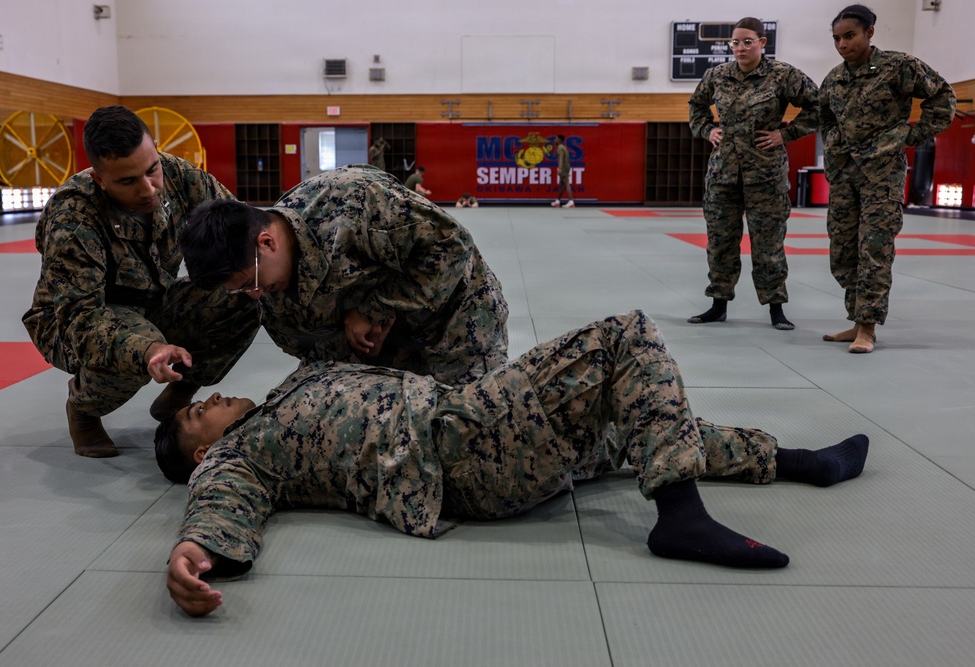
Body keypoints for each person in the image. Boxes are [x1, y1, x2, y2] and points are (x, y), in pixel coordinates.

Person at [157, 310, 869, 617]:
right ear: (202, 450)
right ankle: (680, 517)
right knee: (625, 336)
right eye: (196, 414)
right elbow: (221, 499)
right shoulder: (240, 455)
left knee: (638, 418)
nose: (209, 399)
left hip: (470, 425)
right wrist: (196, 548)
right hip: (457, 448)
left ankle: (793, 460)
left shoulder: (288, 390)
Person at [22, 105, 260, 458]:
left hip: (152, 300)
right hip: (71, 323)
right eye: (127, 181)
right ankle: (84, 409)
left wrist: (255, 271)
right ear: (100, 179)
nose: (148, 189)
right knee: (137, 346)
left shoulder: (177, 175)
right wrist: (147, 350)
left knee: (241, 294)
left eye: (152, 170)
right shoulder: (73, 217)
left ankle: (181, 390)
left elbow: (239, 223)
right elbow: (81, 320)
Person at [180, 164, 508, 386]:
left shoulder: (354, 203)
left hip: (457, 319)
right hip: (393, 350)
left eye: (249, 282)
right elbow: (317, 355)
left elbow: (451, 246)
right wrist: (364, 347)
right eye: (239, 290)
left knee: (475, 429)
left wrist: (372, 312)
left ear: (267, 243)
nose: (254, 295)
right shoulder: (271, 296)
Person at [819, 5, 956, 353]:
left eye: (850, 36)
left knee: (874, 249)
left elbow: (943, 97)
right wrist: (834, 147)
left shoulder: (899, 66)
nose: (842, 44)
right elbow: (825, 118)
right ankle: (855, 319)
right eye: (836, 38)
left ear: (870, 32)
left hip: (882, 175)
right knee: (842, 251)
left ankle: (868, 327)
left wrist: (910, 136)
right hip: (845, 176)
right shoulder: (834, 78)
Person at [687, 17, 819, 331]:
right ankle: (718, 304)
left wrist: (785, 134)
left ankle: (776, 308)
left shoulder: (783, 75)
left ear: (762, 42)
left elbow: (819, 107)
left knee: (768, 245)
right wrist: (707, 130)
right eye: (735, 42)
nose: (741, 48)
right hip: (723, 176)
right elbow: (696, 105)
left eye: (748, 41)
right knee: (720, 243)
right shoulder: (717, 75)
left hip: (766, 175)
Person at [550, 134, 574, 208]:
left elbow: (561, 157)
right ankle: (557, 201)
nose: (555, 140)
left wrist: (559, 168)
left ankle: (571, 202)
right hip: (566, 166)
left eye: (556, 138)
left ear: (560, 140)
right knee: (561, 185)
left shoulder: (560, 147)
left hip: (563, 167)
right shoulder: (563, 147)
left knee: (566, 183)